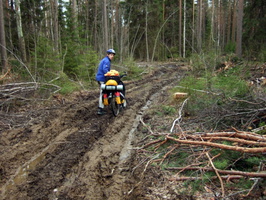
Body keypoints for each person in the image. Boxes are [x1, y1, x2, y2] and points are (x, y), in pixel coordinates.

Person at [96, 49, 116, 115]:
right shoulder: (106, 61)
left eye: (113, 55)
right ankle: (100, 109)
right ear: (107, 54)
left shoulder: (105, 60)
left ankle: (106, 102)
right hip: (102, 78)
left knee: (105, 91)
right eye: (111, 55)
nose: (112, 56)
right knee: (102, 92)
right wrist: (110, 75)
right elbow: (105, 70)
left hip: (101, 78)